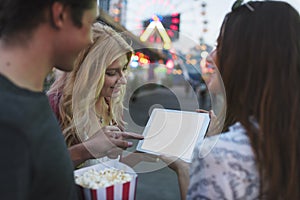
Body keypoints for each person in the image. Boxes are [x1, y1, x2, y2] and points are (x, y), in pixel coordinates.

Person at [167, 1, 300, 199]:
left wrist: (187, 168)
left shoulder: (221, 156)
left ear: (247, 60)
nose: (210, 57)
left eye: (220, 46)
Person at [0, 0, 99, 199]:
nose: (90, 39)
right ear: (60, 14)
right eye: (90, 24)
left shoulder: (25, 100)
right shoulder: (9, 122)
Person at [47, 22, 144, 167]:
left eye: (124, 69)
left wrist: (141, 156)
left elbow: (106, 168)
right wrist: (85, 150)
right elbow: (38, 171)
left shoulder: (110, 104)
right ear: (87, 71)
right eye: (111, 72)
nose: (123, 80)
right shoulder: (54, 106)